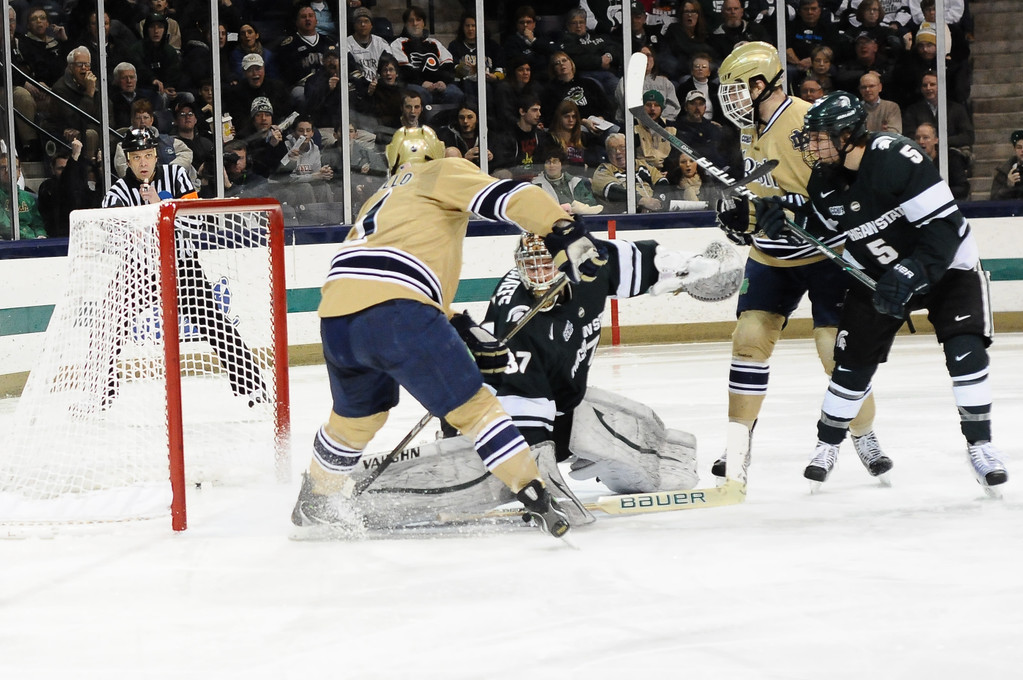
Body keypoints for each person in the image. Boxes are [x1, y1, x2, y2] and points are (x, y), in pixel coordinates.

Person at [289, 125, 610, 539]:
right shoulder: (440, 171)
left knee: (356, 418)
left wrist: (460, 326)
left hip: (336, 319)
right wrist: (563, 229)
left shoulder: (380, 196)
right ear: (437, 153)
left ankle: (315, 499)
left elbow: (386, 273)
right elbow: (512, 197)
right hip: (400, 312)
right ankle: (533, 489)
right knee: (475, 408)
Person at [761, 91, 1007, 493]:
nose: (813, 145)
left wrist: (912, 270)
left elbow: (944, 229)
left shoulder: (898, 157)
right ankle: (826, 445)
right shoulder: (823, 178)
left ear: (849, 135)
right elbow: (826, 227)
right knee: (852, 364)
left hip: (948, 267)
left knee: (967, 350)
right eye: (813, 137)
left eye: (822, 137)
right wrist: (781, 215)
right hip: (878, 272)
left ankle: (981, 445)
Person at [713, 41, 888, 483]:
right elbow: (763, 187)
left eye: (737, 89)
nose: (729, 99)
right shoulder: (748, 125)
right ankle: (737, 445)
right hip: (772, 255)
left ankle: (864, 433)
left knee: (835, 352)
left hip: (826, 251)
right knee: (749, 339)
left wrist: (790, 209)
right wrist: (742, 215)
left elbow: (835, 193)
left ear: (763, 84)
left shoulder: (805, 122)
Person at [101, 127, 268, 406]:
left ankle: (252, 388)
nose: (143, 163)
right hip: (139, 269)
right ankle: (102, 393)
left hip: (182, 267)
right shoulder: (117, 193)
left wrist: (160, 205)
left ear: (156, 156)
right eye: (137, 157)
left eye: (148, 155)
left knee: (214, 324)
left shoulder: (177, 177)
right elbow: (112, 236)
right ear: (128, 160)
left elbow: (196, 223)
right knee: (108, 326)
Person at [389, 5, 462, 107]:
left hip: (439, 83)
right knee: (421, 94)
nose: (415, 24)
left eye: (418, 20)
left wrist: (443, 82)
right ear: (405, 24)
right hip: (415, 85)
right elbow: (403, 71)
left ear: (423, 23)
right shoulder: (398, 43)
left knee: (455, 93)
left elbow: (448, 65)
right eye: (411, 20)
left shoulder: (434, 43)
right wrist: (422, 83)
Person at [47, 46, 102, 162]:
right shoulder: (60, 88)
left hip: (89, 130)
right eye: (79, 65)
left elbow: (106, 119)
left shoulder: (95, 84)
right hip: (62, 134)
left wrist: (84, 128)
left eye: (87, 65)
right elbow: (73, 121)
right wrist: (89, 94)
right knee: (90, 135)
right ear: (70, 67)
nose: (84, 68)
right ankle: (89, 174)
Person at [592, 132, 669, 212]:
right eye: (612, 149)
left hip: (653, 213)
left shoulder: (643, 164)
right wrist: (642, 201)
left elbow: (662, 181)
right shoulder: (604, 169)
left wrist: (656, 202)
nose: (618, 152)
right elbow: (612, 191)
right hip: (625, 216)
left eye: (622, 147)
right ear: (608, 153)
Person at [531, 146, 602, 215]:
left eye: (555, 161)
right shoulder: (536, 186)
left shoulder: (575, 182)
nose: (551, 165)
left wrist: (573, 209)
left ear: (561, 164)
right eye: (548, 162)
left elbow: (591, 202)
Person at [915, 122, 969, 200]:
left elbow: (963, 188)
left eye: (925, 137)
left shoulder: (951, 159)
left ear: (935, 140)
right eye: (917, 138)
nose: (921, 142)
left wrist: (937, 193)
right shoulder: (910, 162)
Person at [0, 153, 46, 240]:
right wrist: (31, 239)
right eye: (3, 167)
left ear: (19, 172)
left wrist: (41, 236)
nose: (7, 171)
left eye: (13, 167)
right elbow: (5, 227)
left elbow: (38, 224)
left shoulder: (28, 197)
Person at [990, 130, 1023, 201]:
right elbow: (993, 200)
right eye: (1019, 147)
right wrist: (1008, 186)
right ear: (1015, 150)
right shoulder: (1004, 171)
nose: (1022, 150)